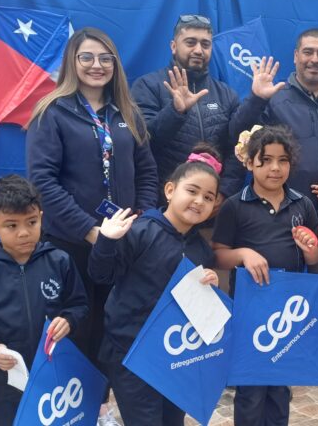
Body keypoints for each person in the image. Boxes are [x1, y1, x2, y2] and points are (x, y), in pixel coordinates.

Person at [26, 26, 157, 424]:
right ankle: (77, 412)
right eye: (87, 57)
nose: (96, 65)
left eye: (105, 58)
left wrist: (140, 224)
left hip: (124, 244)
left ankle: (103, 408)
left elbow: (147, 173)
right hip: (74, 245)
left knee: (117, 329)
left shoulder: (128, 113)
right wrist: (90, 230)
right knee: (80, 330)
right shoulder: (52, 112)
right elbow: (42, 182)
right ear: (72, 61)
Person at [89, 146, 223, 425]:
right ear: (170, 190)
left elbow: (197, 307)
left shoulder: (201, 249)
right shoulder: (140, 231)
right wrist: (106, 241)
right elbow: (101, 275)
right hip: (131, 353)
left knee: (173, 419)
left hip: (174, 353)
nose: (199, 201)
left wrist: (211, 284)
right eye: (192, 190)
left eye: (208, 197)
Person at [212, 126, 318, 425]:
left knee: (279, 386)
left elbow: (316, 257)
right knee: (250, 389)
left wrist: (310, 249)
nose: (275, 168)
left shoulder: (302, 204)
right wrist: (243, 254)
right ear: (249, 163)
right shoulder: (235, 206)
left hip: (288, 311)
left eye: (283, 160)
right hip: (249, 312)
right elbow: (218, 254)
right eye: (266, 160)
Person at [0, 175, 89, 426]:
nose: (23, 233)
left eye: (32, 222)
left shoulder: (60, 261)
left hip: (56, 376)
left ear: (41, 217)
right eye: (11, 225)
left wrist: (69, 320)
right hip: (6, 383)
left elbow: (79, 305)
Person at [131, 14, 245, 201]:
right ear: (174, 46)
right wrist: (176, 112)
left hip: (211, 204)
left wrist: (223, 192)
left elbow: (237, 150)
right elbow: (143, 143)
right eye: (190, 42)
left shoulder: (226, 94)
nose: (198, 50)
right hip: (163, 203)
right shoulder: (148, 86)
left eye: (205, 44)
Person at [232, 29, 318, 199]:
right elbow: (236, 133)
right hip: (284, 205)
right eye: (308, 52)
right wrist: (257, 99)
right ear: (296, 56)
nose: (315, 59)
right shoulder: (274, 99)